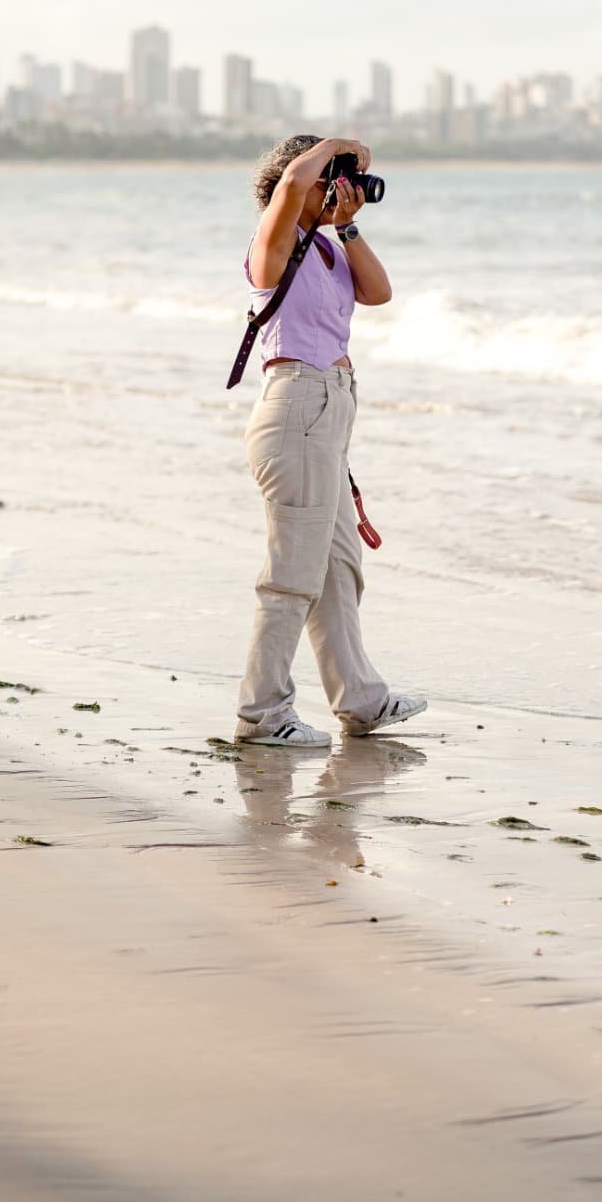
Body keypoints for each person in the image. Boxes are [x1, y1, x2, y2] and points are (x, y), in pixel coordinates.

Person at [234, 133, 427, 748]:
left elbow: (379, 292)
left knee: (340, 567)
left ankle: (362, 702)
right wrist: (337, 144)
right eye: (331, 178)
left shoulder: (326, 246)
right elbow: (294, 184)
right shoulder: (272, 242)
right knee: (292, 574)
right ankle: (263, 716)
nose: (339, 188)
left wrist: (347, 225)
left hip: (327, 415)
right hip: (296, 408)